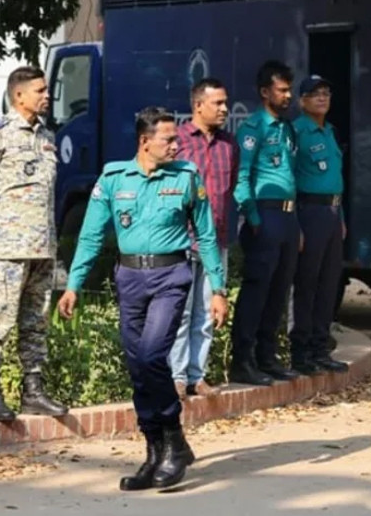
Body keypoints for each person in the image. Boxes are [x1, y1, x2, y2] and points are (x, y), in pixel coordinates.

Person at [58, 107, 228, 491]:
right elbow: (91, 235)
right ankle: (155, 452)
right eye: (168, 139)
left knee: (152, 355)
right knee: (138, 366)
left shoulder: (186, 177)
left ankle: (174, 440)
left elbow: (206, 236)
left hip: (171, 277)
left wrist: (218, 289)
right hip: (130, 279)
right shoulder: (114, 178)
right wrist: (74, 284)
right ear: (144, 141)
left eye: (176, 138)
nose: (176, 145)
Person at [0, 65, 69, 423]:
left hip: (42, 247)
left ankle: (33, 391)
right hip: (5, 249)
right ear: (18, 95)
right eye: (40, 90)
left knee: (36, 322)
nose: (47, 95)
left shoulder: (46, 136)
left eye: (46, 89)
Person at [230, 60, 302, 385]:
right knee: (257, 290)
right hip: (265, 214)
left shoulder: (287, 128)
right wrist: (253, 217)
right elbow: (242, 177)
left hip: (287, 216)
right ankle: (242, 360)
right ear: (264, 92)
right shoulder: (253, 128)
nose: (288, 95)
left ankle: (267, 356)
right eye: (281, 90)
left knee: (279, 290)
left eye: (289, 89)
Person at [170, 78, 238, 399]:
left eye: (226, 103)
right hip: (181, 240)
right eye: (218, 103)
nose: (225, 109)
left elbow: (229, 188)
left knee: (208, 313)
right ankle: (177, 377)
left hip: (216, 241)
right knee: (181, 312)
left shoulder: (229, 144)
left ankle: (197, 377)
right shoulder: (178, 141)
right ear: (198, 106)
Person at [289, 75, 349, 374]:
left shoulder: (330, 132)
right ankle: (301, 352)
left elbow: (336, 179)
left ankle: (320, 348)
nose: (322, 98)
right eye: (315, 94)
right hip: (309, 211)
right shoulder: (296, 132)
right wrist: (295, 225)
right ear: (302, 101)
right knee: (307, 283)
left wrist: (341, 218)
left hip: (332, 213)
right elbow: (289, 180)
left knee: (329, 283)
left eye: (326, 93)